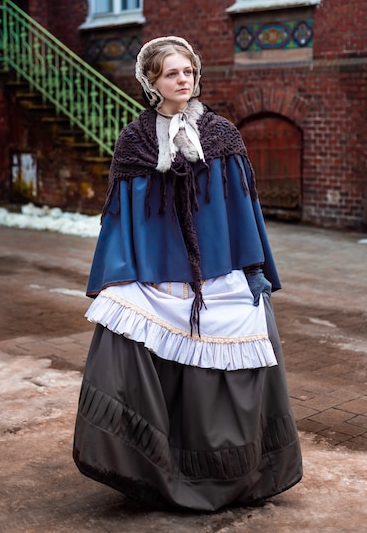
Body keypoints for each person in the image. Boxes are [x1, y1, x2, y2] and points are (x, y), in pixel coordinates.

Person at [73, 36, 302, 512]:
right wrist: (120, 270)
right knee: (122, 344)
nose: (184, 80)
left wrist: (254, 267)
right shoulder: (134, 142)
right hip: (158, 275)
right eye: (172, 73)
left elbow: (243, 207)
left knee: (228, 367)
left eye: (189, 72)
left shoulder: (221, 135)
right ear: (151, 82)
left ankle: (229, 473)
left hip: (218, 274)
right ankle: (152, 470)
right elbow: (122, 214)